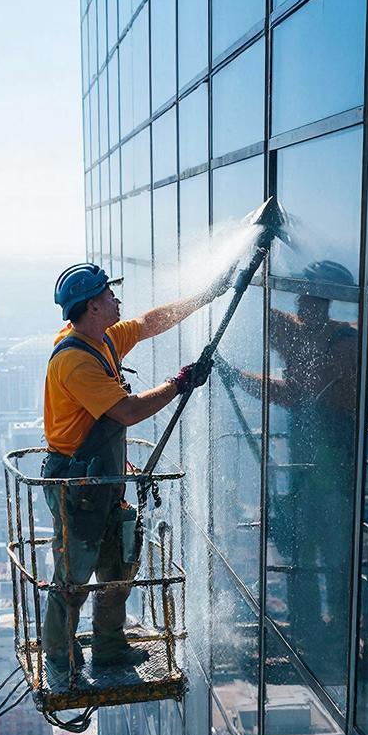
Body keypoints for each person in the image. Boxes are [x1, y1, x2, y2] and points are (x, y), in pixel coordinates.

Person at [42, 261, 232, 681]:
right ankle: (60, 659)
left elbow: (149, 322)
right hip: (76, 483)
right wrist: (178, 383)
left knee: (117, 564)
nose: (116, 300)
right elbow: (127, 411)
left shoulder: (103, 339)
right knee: (73, 575)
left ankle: (109, 649)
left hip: (101, 478)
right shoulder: (76, 361)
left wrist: (207, 293)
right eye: (109, 295)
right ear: (92, 306)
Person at [218, 260, 358, 680]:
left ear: (322, 300)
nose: (299, 303)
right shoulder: (319, 335)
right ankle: (312, 636)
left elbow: (297, 393)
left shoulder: (342, 344)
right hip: (308, 472)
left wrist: (240, 377)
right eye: (298, 295)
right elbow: (278, 329)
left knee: (328, 558)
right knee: (301, 556)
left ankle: (330, 639)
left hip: (332, 473)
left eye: (307, 295)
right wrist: (245, 278)